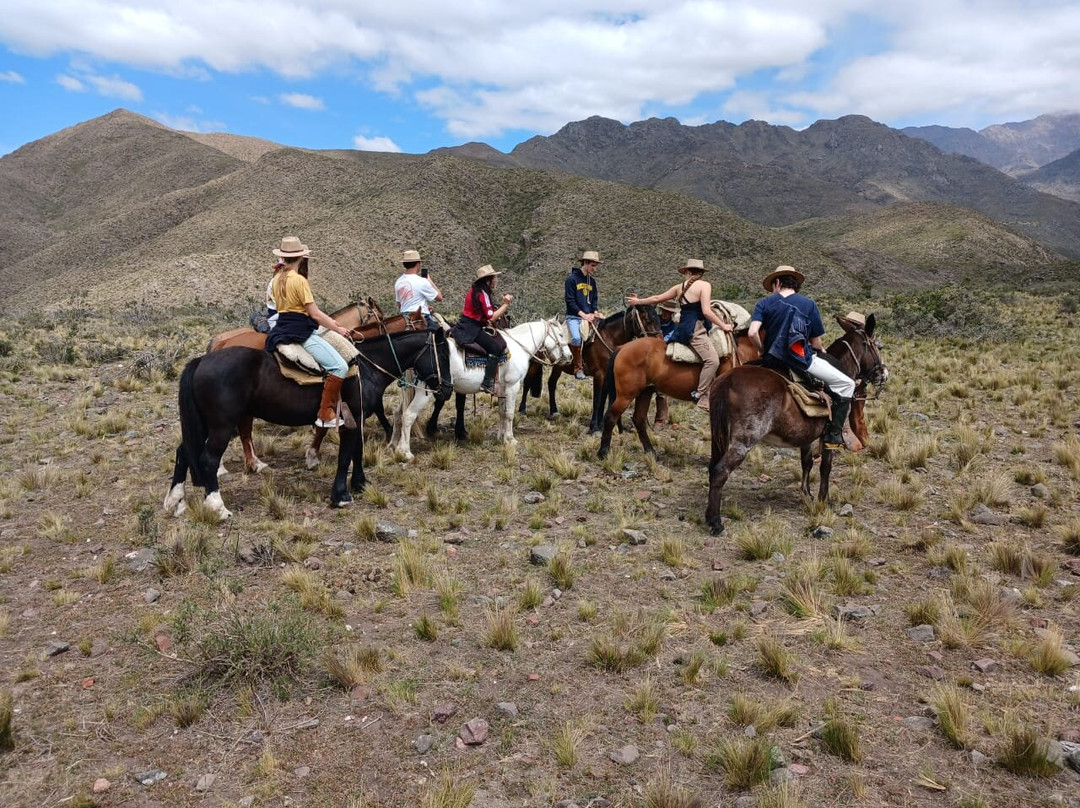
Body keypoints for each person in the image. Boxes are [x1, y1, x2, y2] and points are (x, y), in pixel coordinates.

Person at [747, 265, 856, 450]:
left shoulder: (764, 303)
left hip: (771, 359)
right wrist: (823, 351)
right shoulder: (808, 304)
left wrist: (762, 350)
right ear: (794, 284)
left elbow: (752, 333)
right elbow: (815, 343)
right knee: (848, 384)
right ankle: (833, 435)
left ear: (778, 283)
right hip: (799, 361)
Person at [264, 236, 353, 428]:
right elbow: (315, 314)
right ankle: (325, 413)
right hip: (299, 331)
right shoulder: (299, 280)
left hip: (281, 327)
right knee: (340, 367)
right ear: (301, 258)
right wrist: (337, 327)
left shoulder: (277, 278)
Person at [626, 258, 733, 410]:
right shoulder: (704, 285)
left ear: (688, 271)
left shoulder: (679, 287)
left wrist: (638, 301)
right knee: (713, 360)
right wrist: (724, 325)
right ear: (701, 273)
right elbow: (706, 311)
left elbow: (657, 298)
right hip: (696, 330)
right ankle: (701, 395)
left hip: (683, 328)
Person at [449, 265, 512, 395]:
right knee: (496, 348)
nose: (495, 281)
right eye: (494, 278)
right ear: (488, 280)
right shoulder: (483, 294)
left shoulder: (473, 291)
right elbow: (492, 316)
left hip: (464, 324)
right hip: (472, 328)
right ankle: (487, 382)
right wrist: (505, 304)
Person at [564, 250, 603, 380]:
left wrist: (595, 312)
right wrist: (583, 315)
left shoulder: (592, 282)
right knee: (576, 338)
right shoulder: (572, 279)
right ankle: (577, 367)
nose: (594, 268)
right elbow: (570, 301)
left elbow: (594, 300)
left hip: (589, 315)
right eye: (593, 265)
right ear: (585, 263)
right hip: (574, 316)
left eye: (596, 266)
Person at [394, 249, 442, 329]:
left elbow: (400, 305)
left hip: (404, 319)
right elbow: (439, 297)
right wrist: (429, 280)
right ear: (418, 264)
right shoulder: (422, 281)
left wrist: (425, 306)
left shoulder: (398, 282)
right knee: (442, 332)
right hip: (421, 317)